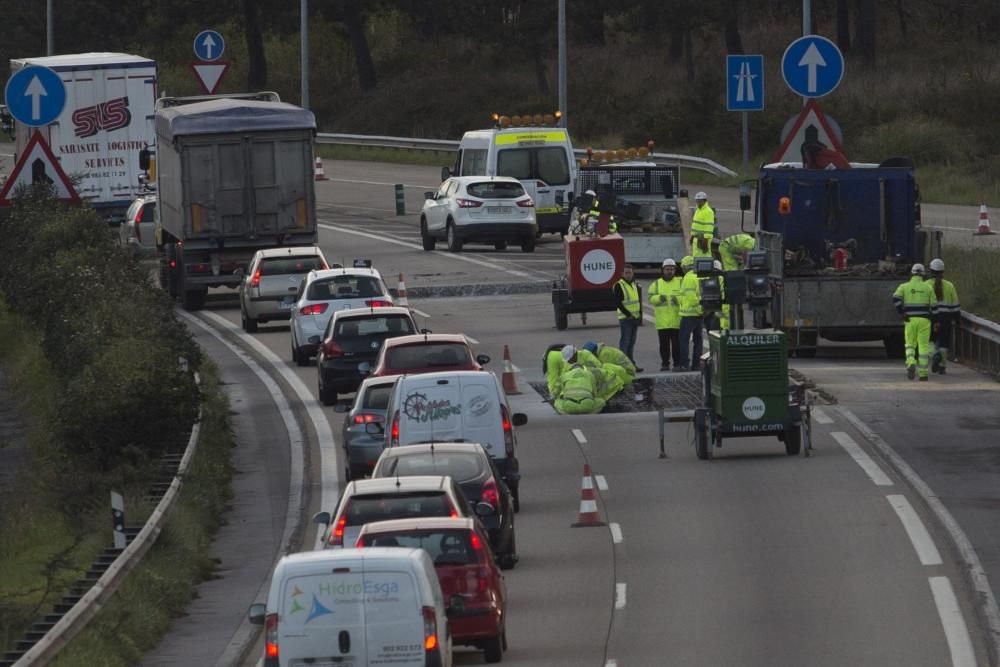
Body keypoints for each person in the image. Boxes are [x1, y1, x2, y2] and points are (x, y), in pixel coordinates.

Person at [892, 263, 938, 381]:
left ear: (912, 273)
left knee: (910, 344)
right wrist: (935, 320)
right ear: (923, 274)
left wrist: (902, 312)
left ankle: (911, 362)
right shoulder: (928, 287)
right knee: (923, 346)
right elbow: (934, 307)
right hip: (924, 320)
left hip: (910, 320)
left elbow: (895, 298)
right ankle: (923, 374)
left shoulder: (904, 286)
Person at [647, 258, 683, 371]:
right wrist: (658, 298)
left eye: (671, 269)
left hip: (677, 321)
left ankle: (677, 364)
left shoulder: (681, 282)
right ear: (663, 270)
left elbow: (686, 296)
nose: (669, 271)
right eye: (667, 269)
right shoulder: (656, 284)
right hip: (662, 322)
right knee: (664, 346)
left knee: (677, 346)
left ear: (675, 270)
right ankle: (665, 364)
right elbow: (650, 298)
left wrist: (677, 299)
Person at [928, 258, 960, 374]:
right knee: (944, 343)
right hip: (946, 319)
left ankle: (935, 355)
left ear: (931, 271)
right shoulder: (950, 286)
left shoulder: (926, 285)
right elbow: (956, 305)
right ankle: (942, 366)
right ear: (943, 271)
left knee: (929, 341)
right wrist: (957, 319)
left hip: (932, 319)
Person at [553, 346, 605, 414]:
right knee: (601, 401)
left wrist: (557, 396)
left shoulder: (565, 375)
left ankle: (569, 413)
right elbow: (594, 393)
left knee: (557, 402)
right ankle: (588, 412)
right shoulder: (589, 374)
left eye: (570, 360)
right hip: (587, 403)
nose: (569, 362)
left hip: (569, 404)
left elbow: (561, 387)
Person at [613, 264, 643, 371]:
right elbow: (618, 303)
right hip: (626, 319)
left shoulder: (634, 284)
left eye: (630, 272)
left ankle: (631, 365)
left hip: (634, 318)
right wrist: (628, 314)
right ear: (622, 274)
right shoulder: (619, 285)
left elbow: (637, 302)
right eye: (626, 272)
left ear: (633, 273)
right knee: (625, 343)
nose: (628, 275)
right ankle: (623, 366)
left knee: (631, 343)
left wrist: (639, 316)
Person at [677, 255, 703, 371]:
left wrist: (698, 310)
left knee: (683, 340)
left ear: (685, 267)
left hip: (689, 315)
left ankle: (684, 365)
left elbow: (692, 298)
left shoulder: (687, 278)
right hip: (699, 315)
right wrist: (702, 312)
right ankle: (696, 364)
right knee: (698, 340)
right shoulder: (699, 276)